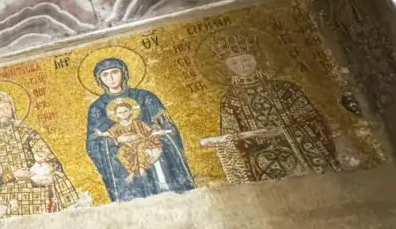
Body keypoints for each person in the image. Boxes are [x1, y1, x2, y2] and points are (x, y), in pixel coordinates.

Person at [213, 35, 338, 181]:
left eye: (246, 60)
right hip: (258, 157)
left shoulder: (286, 89)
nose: (242, 66)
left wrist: (283, 131)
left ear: (257, 59)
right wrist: (252, 135)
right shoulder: (230, 100)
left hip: (298, 151)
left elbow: (313, 122)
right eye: (234, 63)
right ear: (227, 68)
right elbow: (229, 136)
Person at [86, 57, 194, 202]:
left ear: (124, 73)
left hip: (154, 154)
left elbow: (167, 127)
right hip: (123, 162)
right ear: (99, 79)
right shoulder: (97, 108)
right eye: (105, 75)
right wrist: (116, 140)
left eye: (114, 72)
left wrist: (157, 144)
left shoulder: (145, 97)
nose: (110, 78)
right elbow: (93, 143)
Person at [0, 89, 77, 216]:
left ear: (12, 110)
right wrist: (10, 176)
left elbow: (54, 163)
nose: (2, 113)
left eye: (6, 108)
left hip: (37, 191)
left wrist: (43, 170)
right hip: (6, 197)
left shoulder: (28, 135)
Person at [94, 98, 172, 183]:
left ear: (131, 112)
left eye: (125, 111)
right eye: (120, 112)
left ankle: (141, 168)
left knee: (140, 149)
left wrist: (160, 132)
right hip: (128, 145)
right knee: (121, 153)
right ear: (116, 115)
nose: (123, 114)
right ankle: (131, 172)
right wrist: (101, 134)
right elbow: (109, 133)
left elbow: (149, 131)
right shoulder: (116, 126)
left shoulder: (138, 123)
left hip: (142, 142)